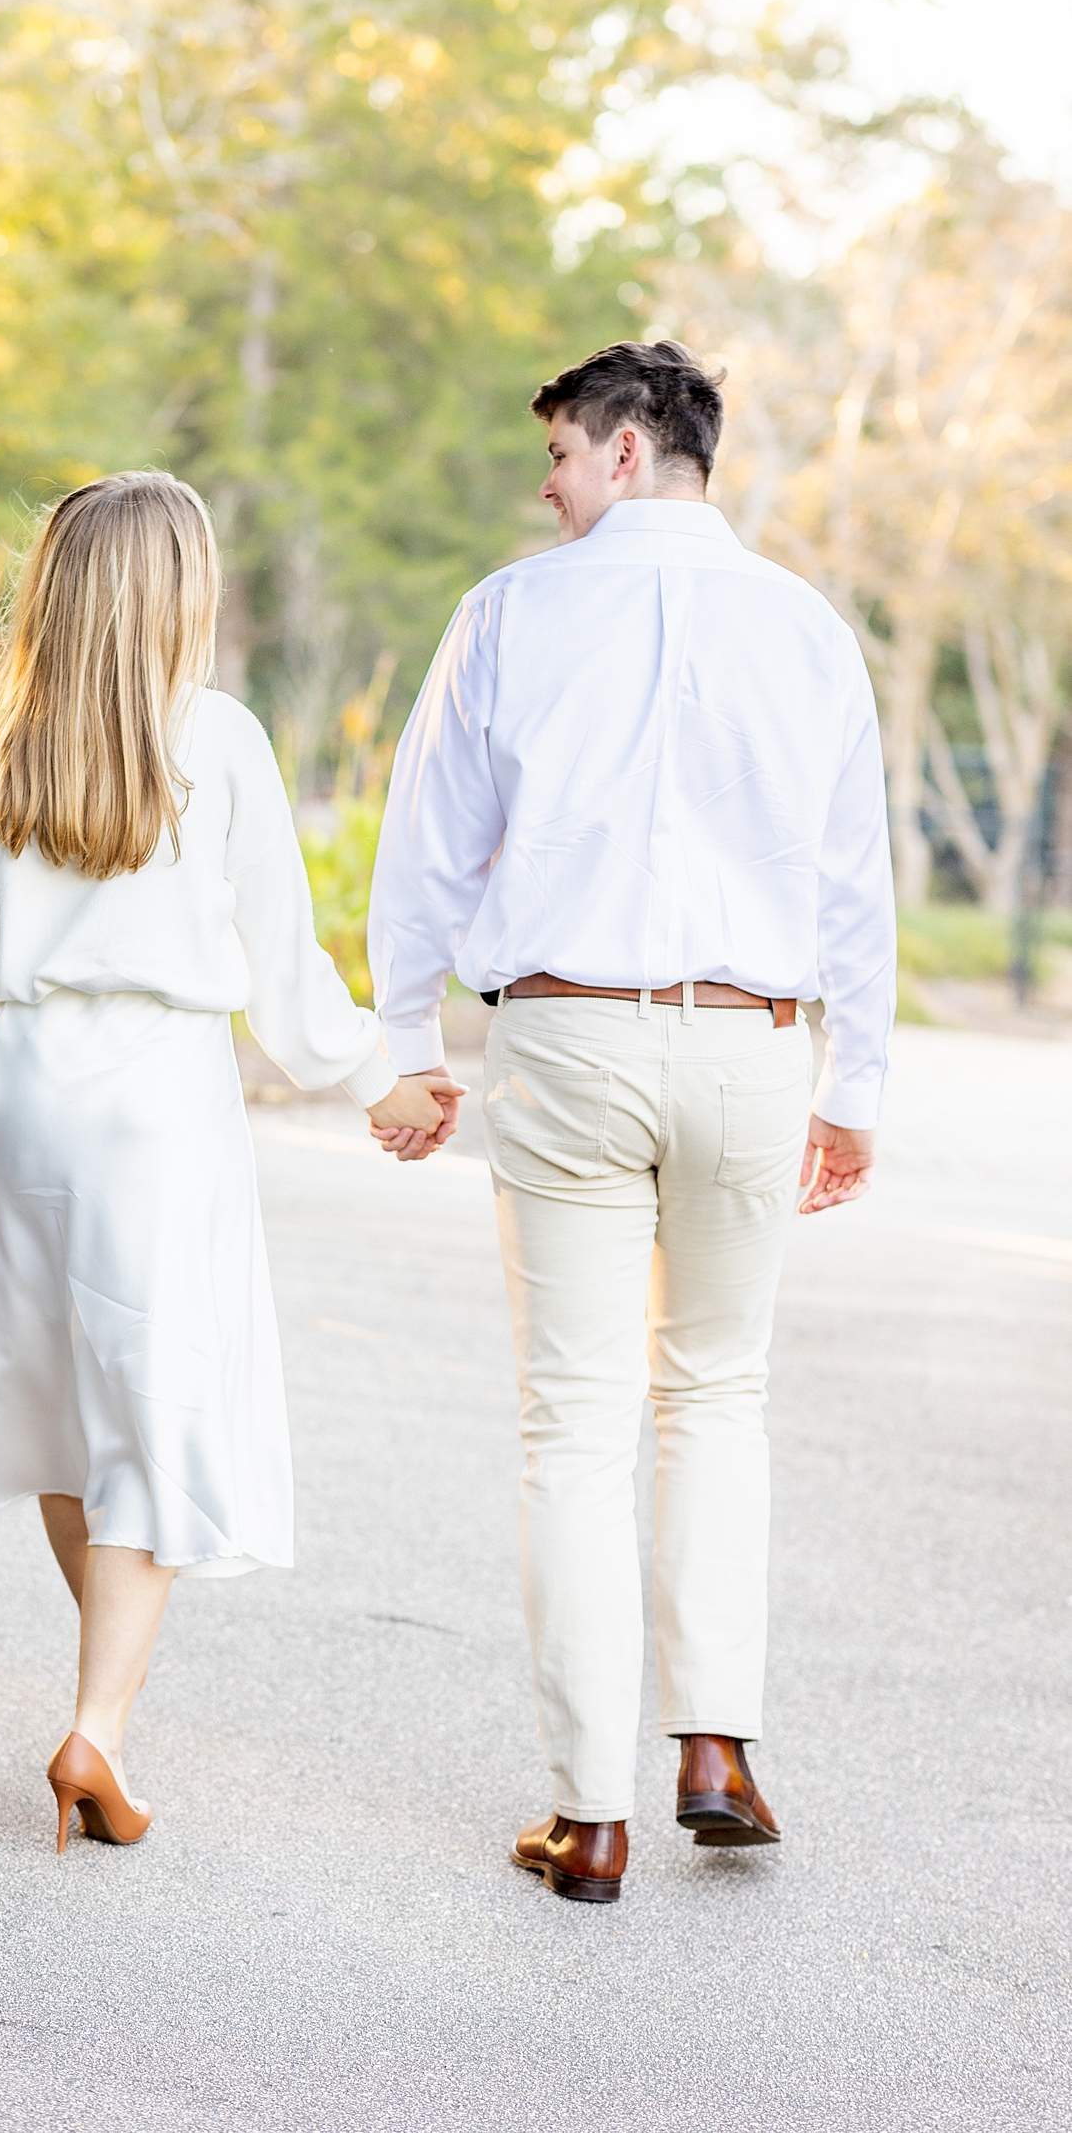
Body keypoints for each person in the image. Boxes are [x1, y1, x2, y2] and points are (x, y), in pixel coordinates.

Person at [365, 340, 895, 1903]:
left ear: (622, 443)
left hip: (571, 1038)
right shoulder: (809, 631)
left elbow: (429, 845)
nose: (545, 485)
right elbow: (851, 876)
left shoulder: (511, 615)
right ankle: (717, 1747)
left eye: (556, 454)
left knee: (576, 1424)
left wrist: (411, 1040)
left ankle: (589, 1815)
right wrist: (853, 1088)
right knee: (718, 1395)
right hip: (753, 1047)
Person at [0, 471, 457, 1853]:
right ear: (176, 594)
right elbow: (279, 962)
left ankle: (98, 1711)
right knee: (155, 1412)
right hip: (161, 1105)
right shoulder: (220, 741)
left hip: (29, 1102)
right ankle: (98, 1730)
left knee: (63, 1413)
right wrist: (381, 1078)